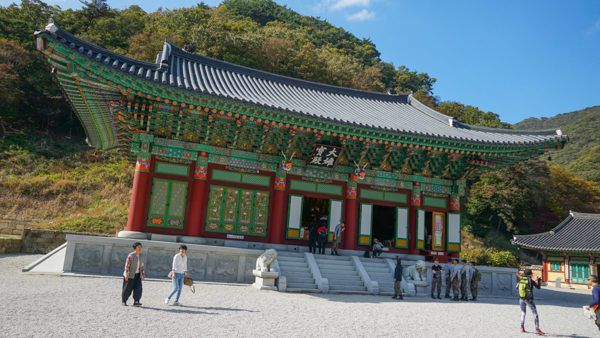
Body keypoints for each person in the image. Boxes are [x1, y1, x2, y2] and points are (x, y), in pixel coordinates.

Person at [517, 268, 544, 335]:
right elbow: (538, 287)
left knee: (523, 312)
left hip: (521, 298)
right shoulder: (531, 281)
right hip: (529, 299)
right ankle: (537, 329)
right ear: (530, 274)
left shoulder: (521, 280)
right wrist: (539, 280)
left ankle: (522, 327)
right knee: (535, 313)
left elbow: (516, 287)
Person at [122, 242, 145, 307]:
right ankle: (124, 301)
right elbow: (127, 266)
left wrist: (142, 275)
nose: (140, 248)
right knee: (127, 289)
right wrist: (126, 274)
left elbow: (142, 266)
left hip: (138, 275)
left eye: (141, 247)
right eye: (138, 247)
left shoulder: (142, 255)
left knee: (138, 288)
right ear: (135, 248)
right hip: (130, 275)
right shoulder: (131, 255)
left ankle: (136, 301)